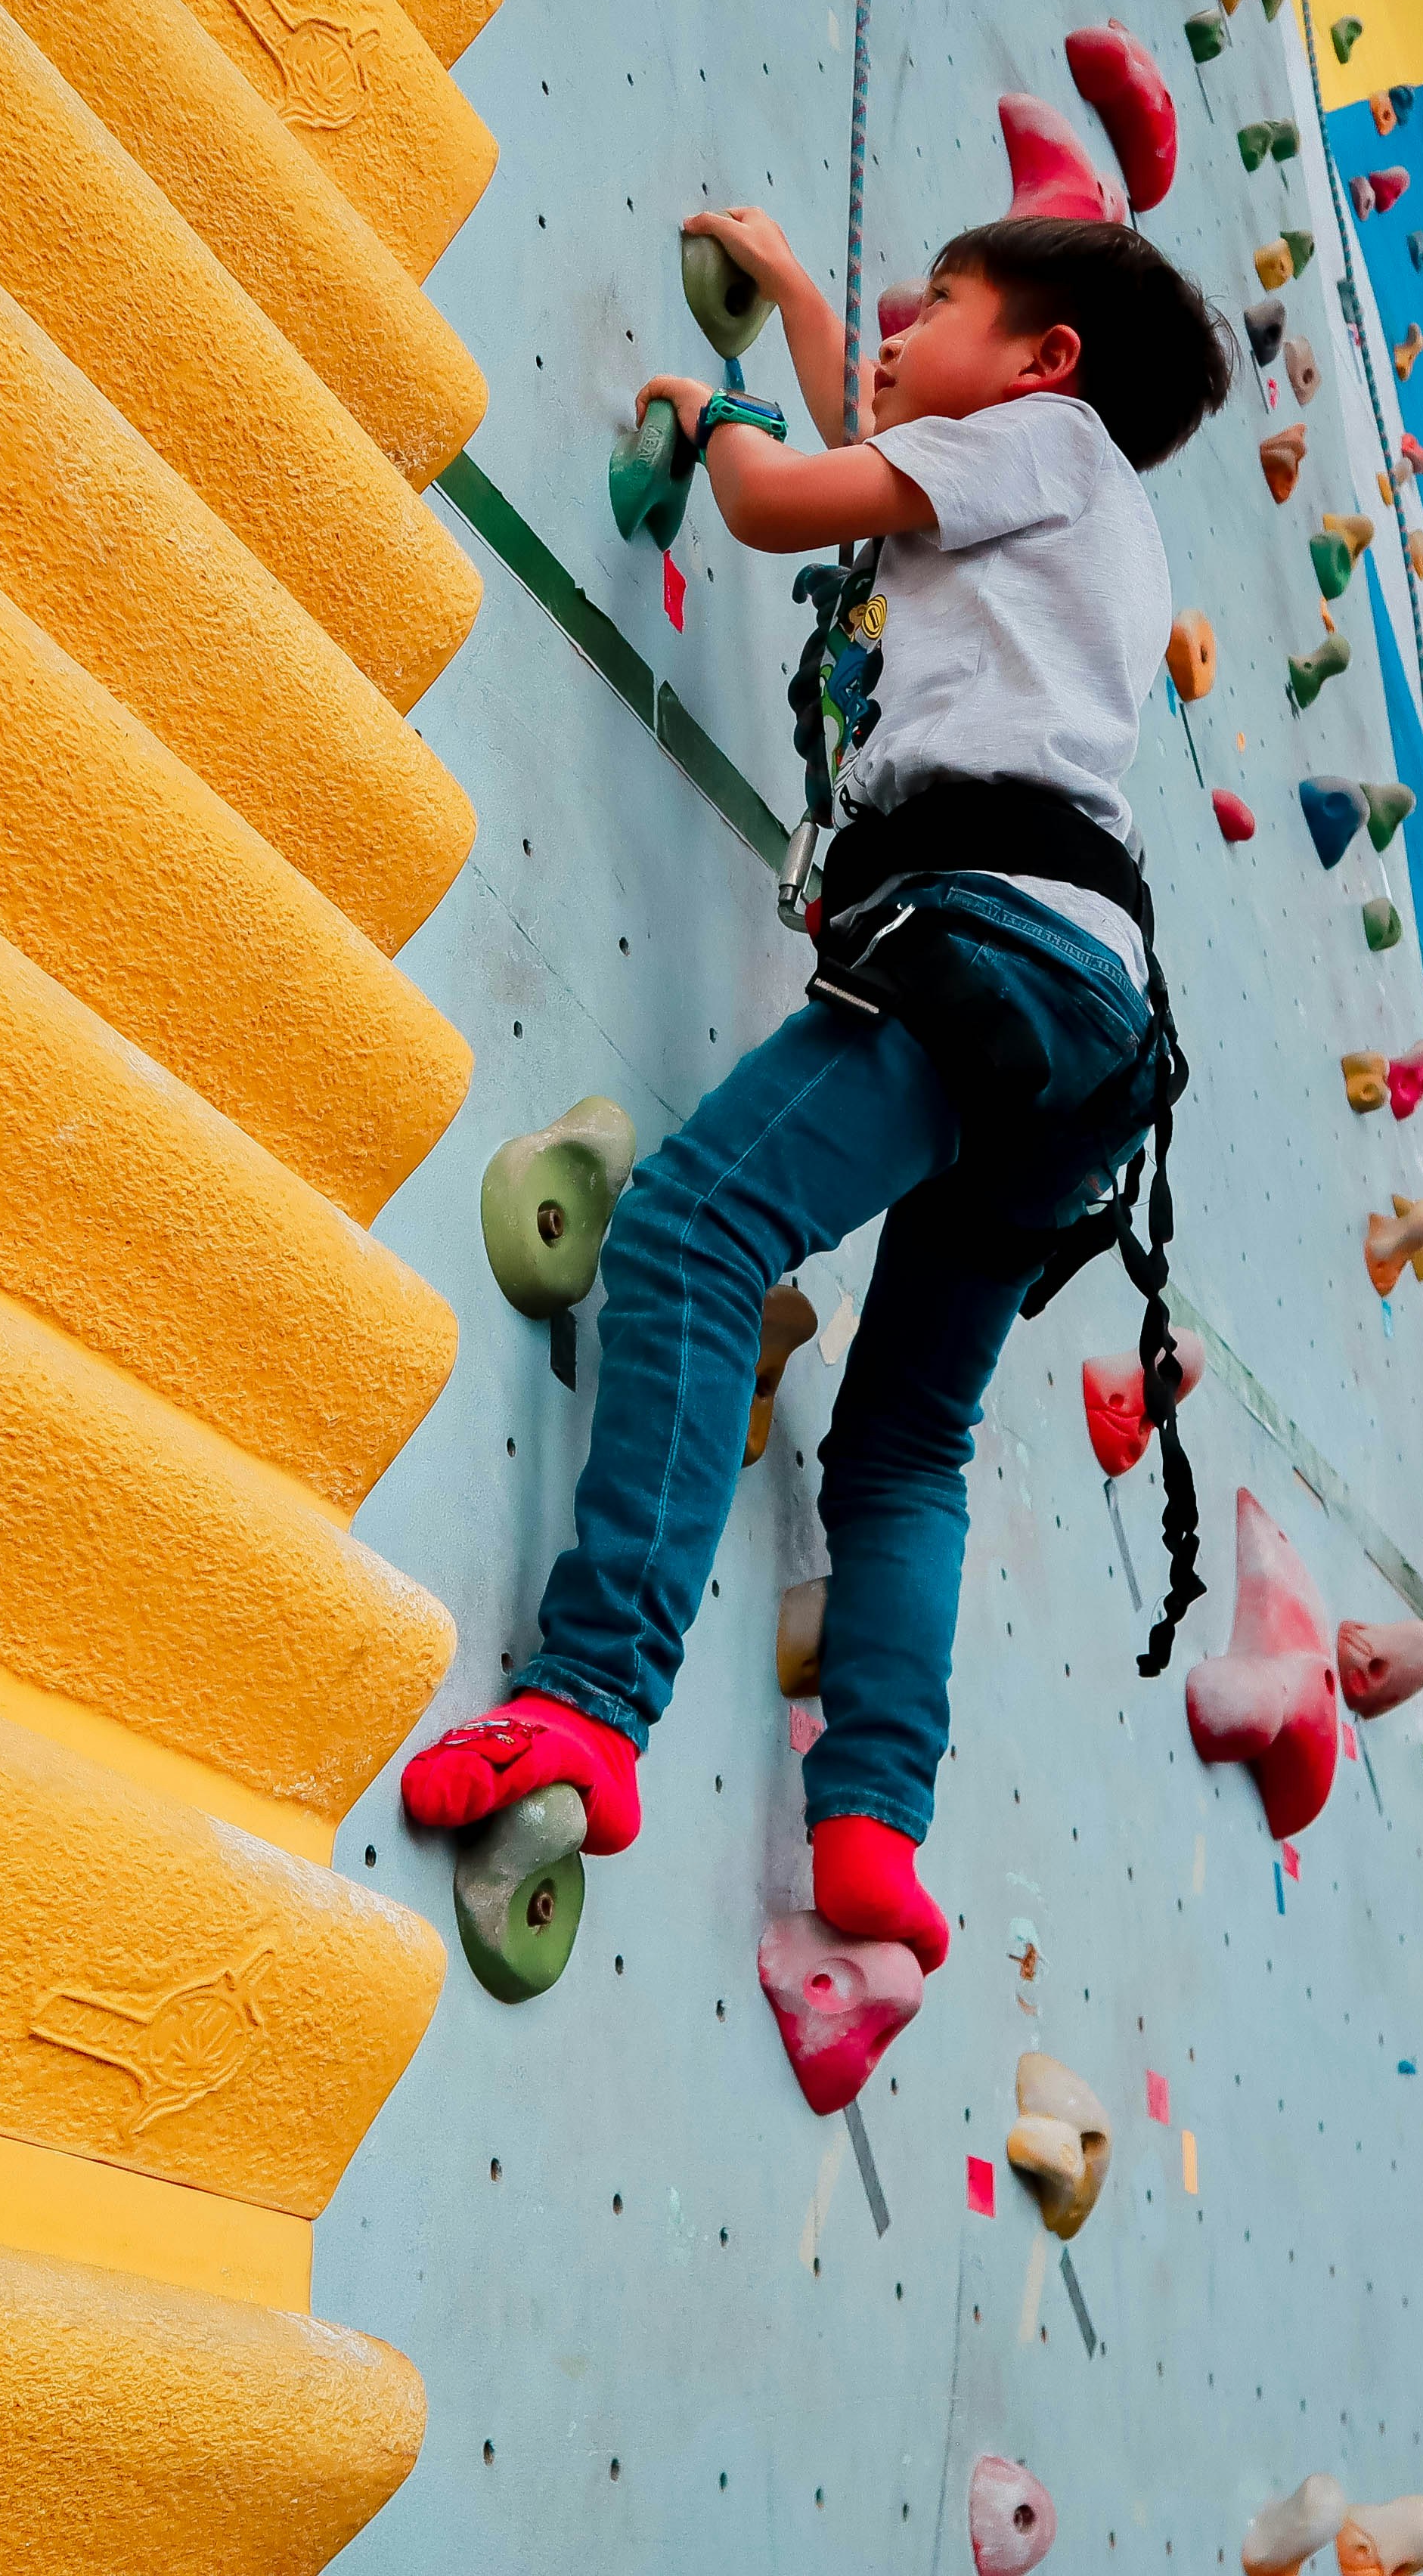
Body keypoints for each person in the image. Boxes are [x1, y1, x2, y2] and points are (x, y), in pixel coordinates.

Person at [401, 200, 1232, 1971]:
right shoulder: (1083, 509)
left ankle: (588, 1707)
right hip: (1095, 1027)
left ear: (1042, 358)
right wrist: (787, 305)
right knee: (909, 1441)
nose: (896, 326)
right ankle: (871, 1828)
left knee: (699, 1227)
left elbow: (793, 501)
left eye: (939, 301)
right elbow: (877, 461)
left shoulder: (1043, 445)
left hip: (988, 950)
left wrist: (716, 428)